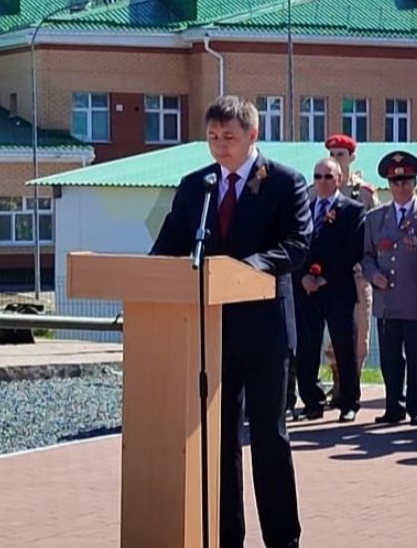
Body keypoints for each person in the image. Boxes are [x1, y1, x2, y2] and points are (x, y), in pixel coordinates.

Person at [150, 95, 308, 548]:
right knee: (218, 442)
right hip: (211, 332)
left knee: (268, 439)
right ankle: (225, 536)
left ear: (253, 136)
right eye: (213, 137)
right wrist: (146, 281)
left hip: (265, 331)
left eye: (230, 138)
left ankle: (283, 538)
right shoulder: (196, 186)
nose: (220, 147)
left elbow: (297, 244)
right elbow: (169, 247)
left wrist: (249, 267)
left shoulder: (284, 182)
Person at [362, 151, 417, 426]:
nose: (401, 186)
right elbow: (367, 256)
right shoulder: (375, 219)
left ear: (415, 183)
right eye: (395, 182)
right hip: (387, 302)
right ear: (388, 184)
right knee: (389, 359)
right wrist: (373, 274)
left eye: (406, 181)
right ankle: (393, 406)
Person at [294, 157, 366, 422]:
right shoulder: (304, 208)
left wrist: (324, 278)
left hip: (337, 289)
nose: (322, 182)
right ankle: (311, 402)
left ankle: (349, 402)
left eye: (328, 176)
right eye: (317, 176)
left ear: (340, 179)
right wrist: (303, 277)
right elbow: (296, 246)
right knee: (307, 348)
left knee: (344, 347)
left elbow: (352, 251)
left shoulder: (353, 210)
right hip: (306, 291)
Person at [322, 134, 379, 406]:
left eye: (341, 155)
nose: (336, 159)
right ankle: (337, 386)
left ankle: (351, 388)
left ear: (352, 158)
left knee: (359, 335)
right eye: (332, 154)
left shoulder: (363, 193)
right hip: (328, 276)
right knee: (332, 338)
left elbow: (375, 233)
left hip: (356, 275)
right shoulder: (319, 188)